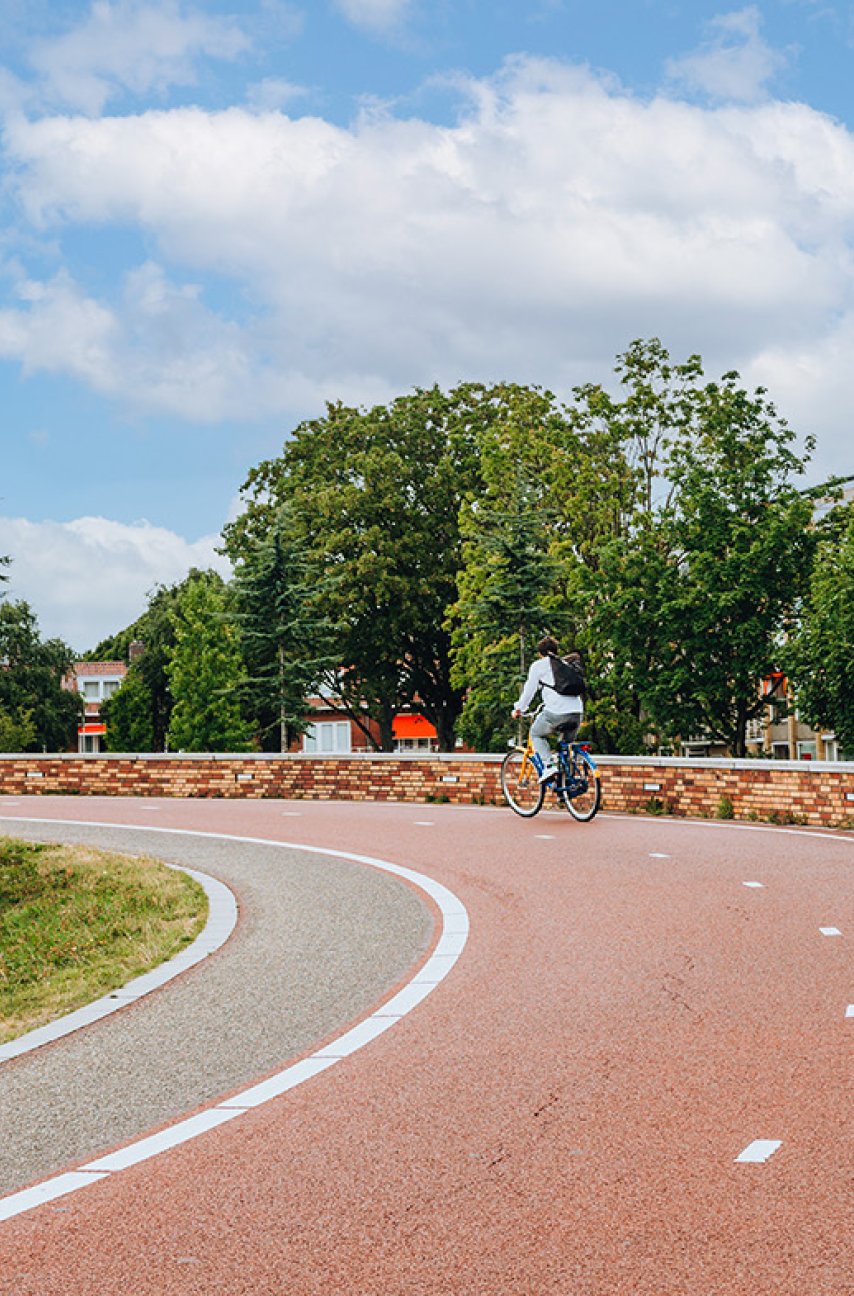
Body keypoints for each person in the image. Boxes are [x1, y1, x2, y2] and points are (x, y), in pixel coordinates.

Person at [511, 636, 584, 782]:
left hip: (557, 712)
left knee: (536, 733)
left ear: (540, 653)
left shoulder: (539, 665)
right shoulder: (565, 664)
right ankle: (567, 786)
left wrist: (519, 708)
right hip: (577, 712)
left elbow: (529, 691)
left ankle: (548, 766)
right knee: (565, 748)